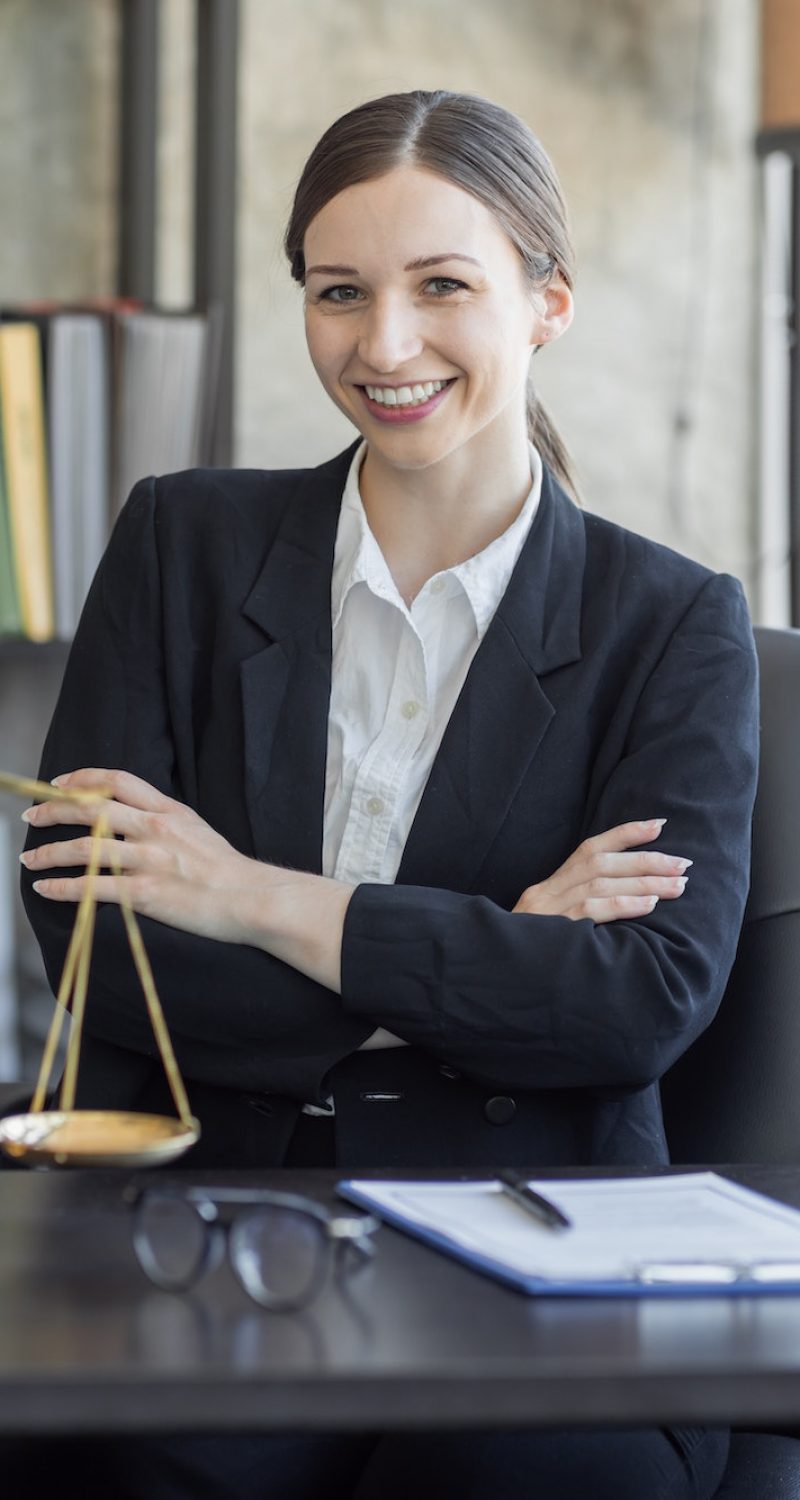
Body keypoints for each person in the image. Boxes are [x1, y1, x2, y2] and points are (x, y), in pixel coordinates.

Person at [17, 90, 755, 1499]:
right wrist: (496, 939)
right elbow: (97, 948)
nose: (385, 344)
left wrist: (246, 899)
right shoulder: (181, 542)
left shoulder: (674, 622)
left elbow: (640, 999)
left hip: (540, 1250)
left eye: (444, 288)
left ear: (547, 301)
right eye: (339, 291)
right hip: (204, 1232)